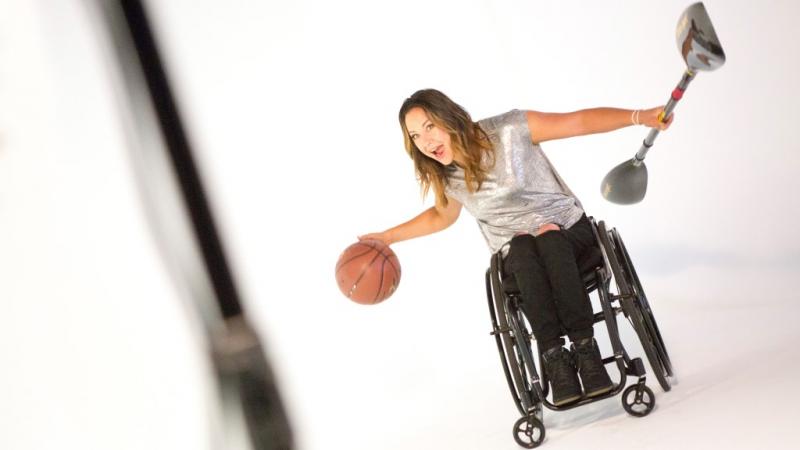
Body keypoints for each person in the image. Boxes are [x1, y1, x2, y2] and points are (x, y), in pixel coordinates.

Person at [359, 89, 672, 406]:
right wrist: (386, 237)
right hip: (520, 259)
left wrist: (639, 116)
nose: (425, 142)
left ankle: (585, 349)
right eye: (415, 136)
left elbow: (577, 122)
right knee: (521, 246)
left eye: (429, 126)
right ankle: (554, 359)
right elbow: (441, 216)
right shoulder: (447, 175)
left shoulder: (510, 129)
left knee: (548, 236)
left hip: (569, 236)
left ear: (449, 117)